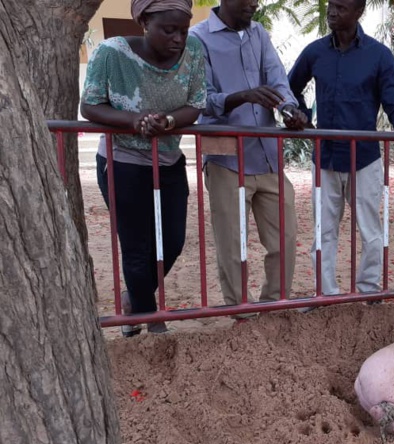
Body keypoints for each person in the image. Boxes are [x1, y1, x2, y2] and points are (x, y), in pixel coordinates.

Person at [80, 0, 207, 337]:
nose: (178, 38)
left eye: (183, 30)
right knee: (137, 247)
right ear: (145, 23)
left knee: (173, 242)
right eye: (169, 30)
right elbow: (90, 105)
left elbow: (195, 104)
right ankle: (153, 324)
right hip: (122, 162)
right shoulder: (111, 53)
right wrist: (134, 120)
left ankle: (134, 300)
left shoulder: (194, 51)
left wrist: (168, 121)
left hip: (168, 160)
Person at [288, 0, 394, 299]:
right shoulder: (315, 52)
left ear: (358, 12)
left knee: (370, 230)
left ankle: (368, 292)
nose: (332, 12)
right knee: (323, 231)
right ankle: (325, 294)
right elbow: (290, 88)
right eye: (331, 5)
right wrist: (301, 116)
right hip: (325, 158)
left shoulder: (379, 55)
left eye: (341, 7)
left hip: (364, 159)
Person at [190, 0, 308, 313]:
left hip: (267, 155)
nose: (255, 3)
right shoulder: (198, 38)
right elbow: (199, 99)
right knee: (232, 244)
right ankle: (240, 312)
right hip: (226, 159)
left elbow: (278, 80)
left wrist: (289, 109)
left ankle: (273, 306)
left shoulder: (259, 34)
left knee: (284, 239)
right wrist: (241, 97)